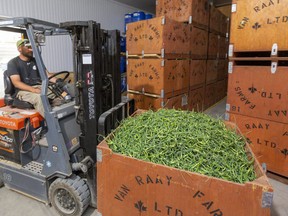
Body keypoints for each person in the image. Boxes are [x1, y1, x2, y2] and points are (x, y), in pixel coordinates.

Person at [6, 38, 58, 117]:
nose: (31, 49)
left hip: (38, 87)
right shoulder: (13, 63)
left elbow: (47, 75)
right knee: (40, 98)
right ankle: (51, 122)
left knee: (60, 91)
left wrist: (59, 81)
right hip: (23, 90)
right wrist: (33, 90)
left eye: (32, 47)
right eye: (28, 47)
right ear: (20, 49)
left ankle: (64, 116)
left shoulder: (36, 61)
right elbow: (17, 83)